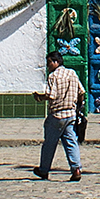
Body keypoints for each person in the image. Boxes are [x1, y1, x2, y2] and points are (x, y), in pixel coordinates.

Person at [33, 50, 86, 180]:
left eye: (49, 62)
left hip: (57, 115)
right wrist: (79, 106)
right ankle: (76, 169)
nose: (48, 65)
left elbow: (52, 95)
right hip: (71, 114)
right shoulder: (72, 73)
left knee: (49, 144)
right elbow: (81, 92)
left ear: (56, 62)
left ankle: (44, 170)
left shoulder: (53, 76)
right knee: (71, 142)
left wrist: (40, 98)